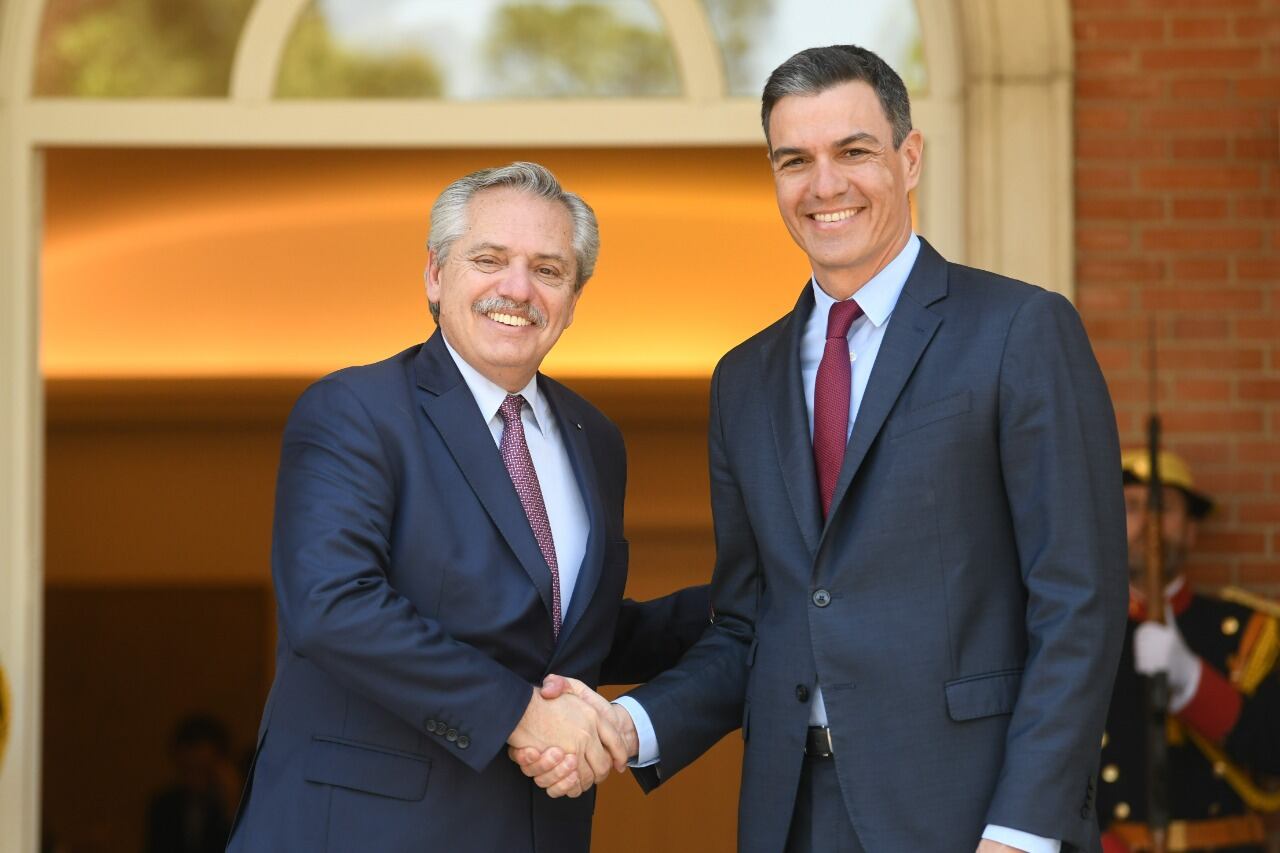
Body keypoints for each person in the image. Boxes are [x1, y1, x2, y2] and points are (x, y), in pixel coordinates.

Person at [515, 44, 1128, 853]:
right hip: (792, 815)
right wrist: (629, 727)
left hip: (969, 813)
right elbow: (750, 623)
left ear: (910, 159)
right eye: (794, 160)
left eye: (854, 152)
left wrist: (1022, 827)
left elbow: (1078, 602)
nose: (824, 185)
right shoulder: (744, 378)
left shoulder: (1018, 331)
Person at [225, 161, 709, 853]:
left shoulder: (594, 438)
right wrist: (520, 715)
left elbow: (560, 634)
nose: (517, 287)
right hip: (362, 832)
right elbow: (333, 604)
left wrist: (735, 608)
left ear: (573, 298)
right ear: (434, 274)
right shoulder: (355, 411)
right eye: (489, 259)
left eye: (548, 269)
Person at [1097, 449, 1280, 853]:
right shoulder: (1084, 635)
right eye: (1131, 507)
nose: (1147, 523)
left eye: (1163, 506)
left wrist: (1194, 682)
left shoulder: (1249, 631)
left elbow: (1273, 751)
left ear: (1193, 529)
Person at [145, 714, 239, 853]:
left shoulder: (233, 806)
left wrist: (231, 808)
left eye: (202, 771)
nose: (195, 781)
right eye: (187, 771)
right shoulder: (164, 806)